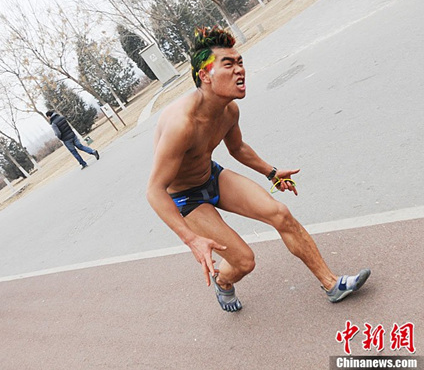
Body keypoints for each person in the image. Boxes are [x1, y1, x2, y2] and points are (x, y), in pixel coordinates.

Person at [146, 26, 370, 312]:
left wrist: (271, 172)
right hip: (186, 198)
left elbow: (237, 148)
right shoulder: (181, 124)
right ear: (205, 75)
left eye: (240, 62)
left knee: (280, 213)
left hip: (212, 176)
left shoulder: (229, 110)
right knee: (244, 262)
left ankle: (332, 284)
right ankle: (223, 282)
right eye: (229, 64)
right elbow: (154, 190)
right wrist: (192, 240)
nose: (240, 70)